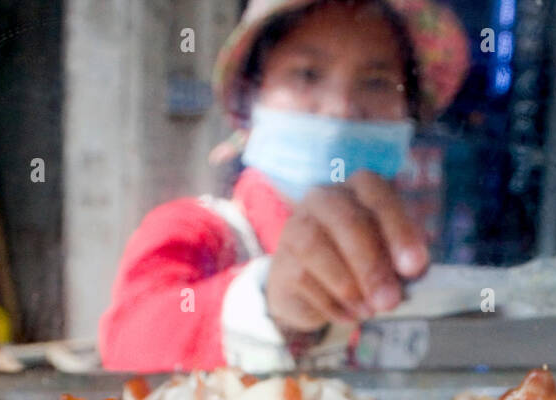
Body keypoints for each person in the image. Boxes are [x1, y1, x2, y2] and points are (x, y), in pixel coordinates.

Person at [97, 0, 469, 373]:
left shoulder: (405, 257)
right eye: (307, 74)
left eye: (376, 82)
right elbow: (128, 343)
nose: (340, 108)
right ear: (250, 98)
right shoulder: (196, 231)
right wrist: (273, 303)